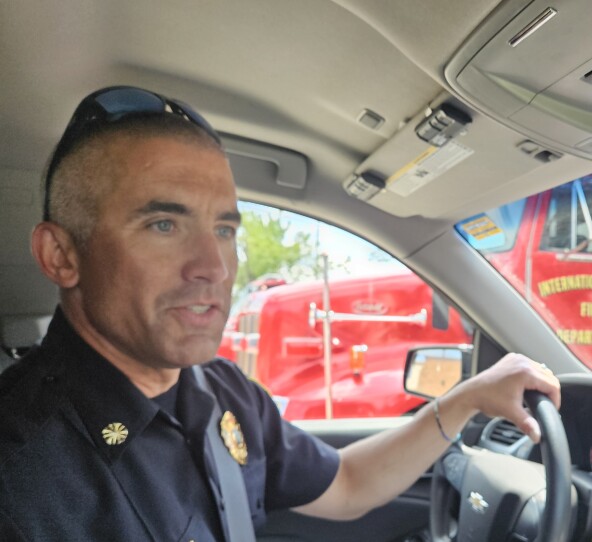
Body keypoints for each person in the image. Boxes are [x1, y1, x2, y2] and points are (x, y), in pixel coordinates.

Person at [0, 86, 560, 541]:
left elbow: (346, 483)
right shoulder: (21, 471)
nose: (214, 267)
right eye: (163, 225)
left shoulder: (221, 391)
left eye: (223, 229)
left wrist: (466, 399)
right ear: (62, 255)